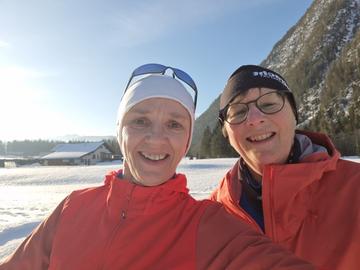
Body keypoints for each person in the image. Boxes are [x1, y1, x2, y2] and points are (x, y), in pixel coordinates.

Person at [0, 63, 314, 270]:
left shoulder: (209, 225)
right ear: (119, 130)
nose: (156, 138)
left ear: (187, 140)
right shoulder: (72, 208)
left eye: (175, 125)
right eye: (140, 121)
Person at [211, 64, 360, 270]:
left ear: (294, 115)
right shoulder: (212, 214)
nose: (255, 119)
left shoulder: (354, 189)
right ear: (226, 133)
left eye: (269, 104)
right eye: (238, 112)